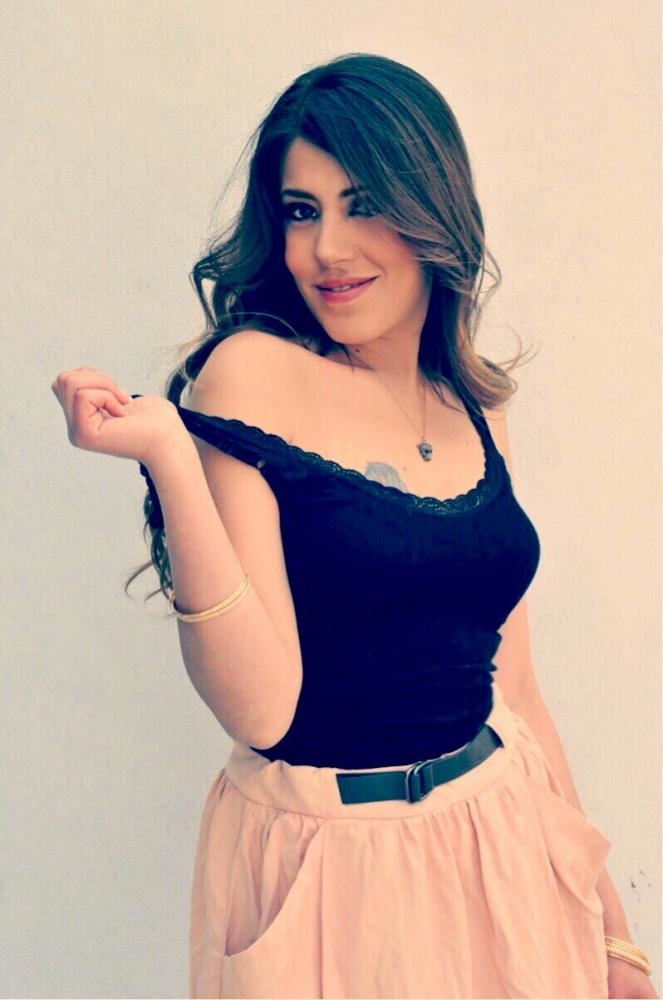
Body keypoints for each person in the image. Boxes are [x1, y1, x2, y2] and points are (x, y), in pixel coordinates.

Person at [51, 53, 656, 1000]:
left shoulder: (472, 402)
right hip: (328, 873)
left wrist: (612, 932)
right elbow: (261, 710)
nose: (326, 249)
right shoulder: (249, 375)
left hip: (499, 842)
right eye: (302, 211)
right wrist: (171, 456)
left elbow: (517, 687)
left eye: (362, 204)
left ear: (432, 211)